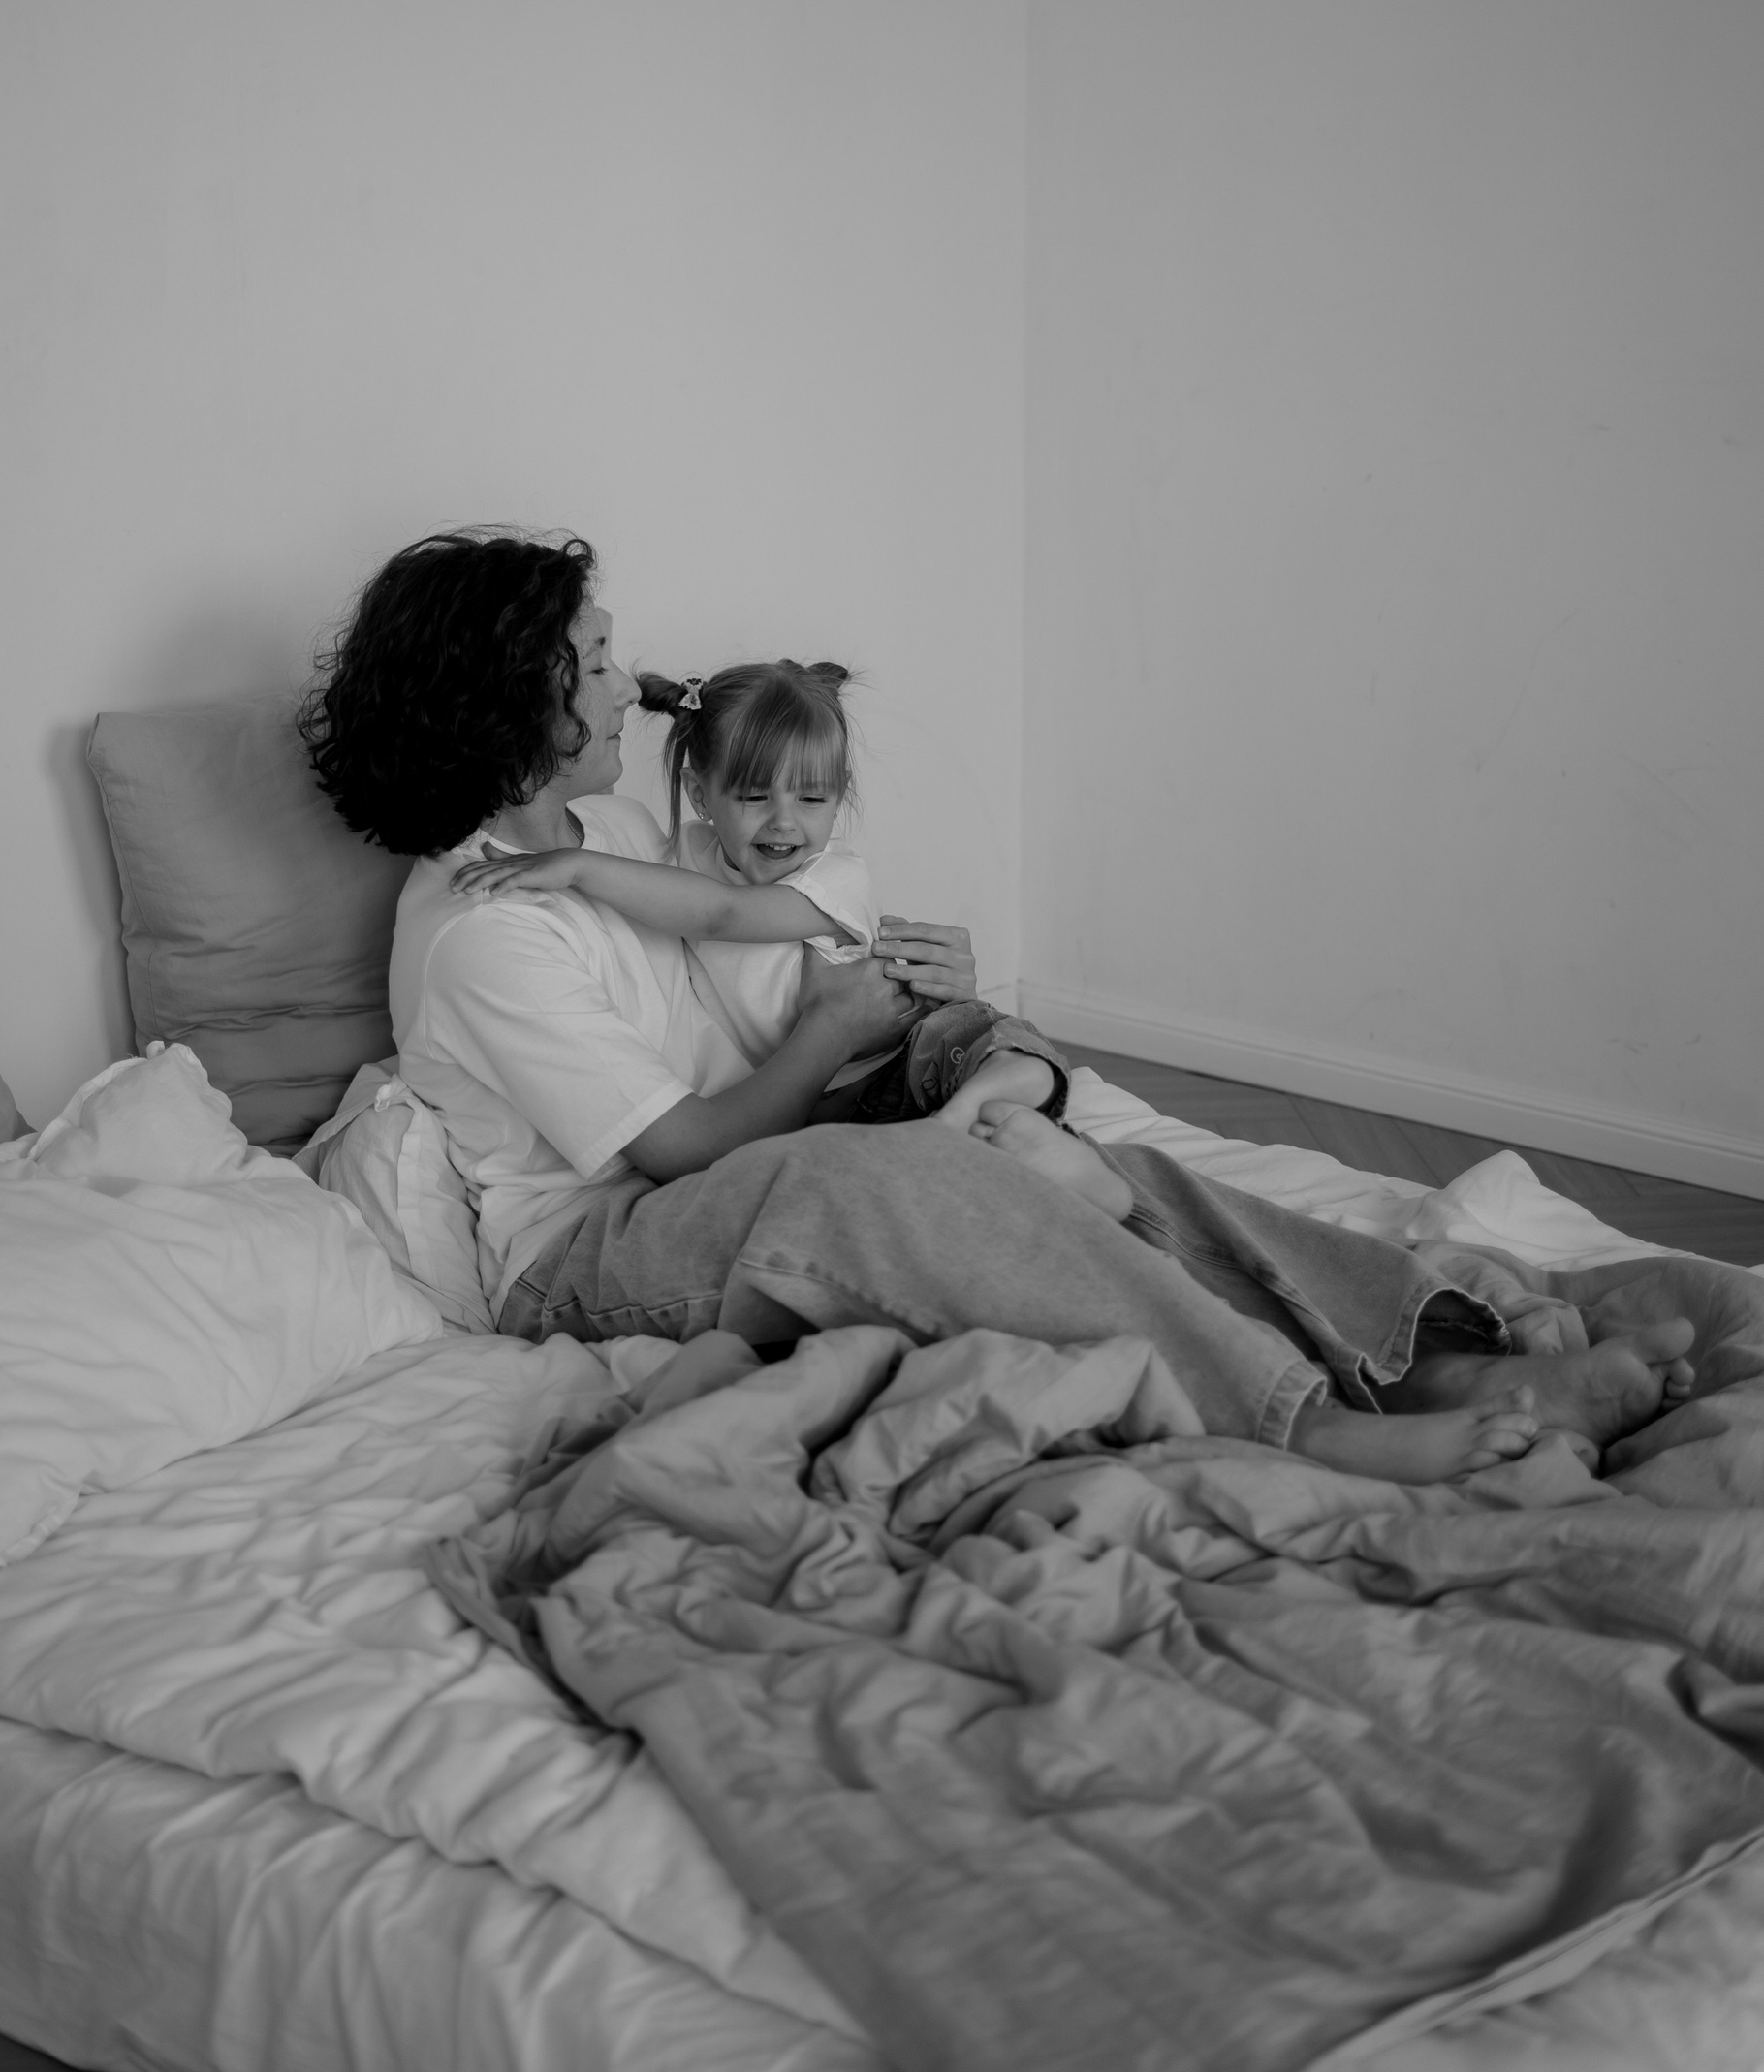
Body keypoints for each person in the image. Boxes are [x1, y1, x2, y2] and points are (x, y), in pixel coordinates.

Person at [301, 527, 1696, 1487]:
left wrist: (915, 991)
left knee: (1053, 1159)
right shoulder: (483, 933)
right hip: (601, 1247)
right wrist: (832, 1036)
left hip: (752, 1148)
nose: (626, 678)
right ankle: (1320, 1430)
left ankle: (1438, 1347)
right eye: (598, 657)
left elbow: (758, 915)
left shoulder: (605, 825)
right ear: (519, 697)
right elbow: (680, 1152)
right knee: (919, 1183)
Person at [452, 652, 1067, 1133]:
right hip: (825, 1102)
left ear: (839, 795)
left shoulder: (835, 876)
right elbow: (675, 894)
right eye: (753, 797)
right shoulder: (685, 851)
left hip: (900, 1061)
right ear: (701, 795)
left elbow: (721, 914)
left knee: (985, 1039)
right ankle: (991, 1134)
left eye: (812, 798)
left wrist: (579, 868)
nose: (783, 822)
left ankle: (987, 1104)